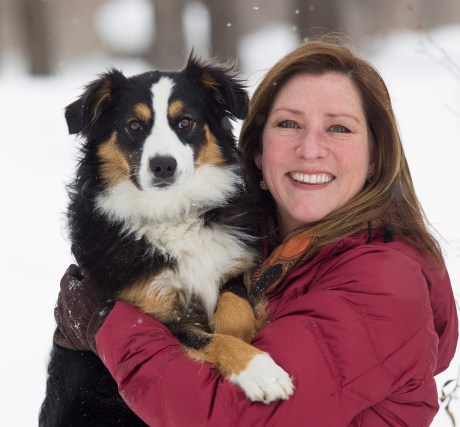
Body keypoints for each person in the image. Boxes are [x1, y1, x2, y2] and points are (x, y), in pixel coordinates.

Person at [53, 39, 458, 426]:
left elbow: (237, 418)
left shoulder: (384, 282)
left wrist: (108, 324)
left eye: (339, 128)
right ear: (259, 148)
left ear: (375, 155)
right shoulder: (266, 240)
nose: (310, 149)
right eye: (289, 124)